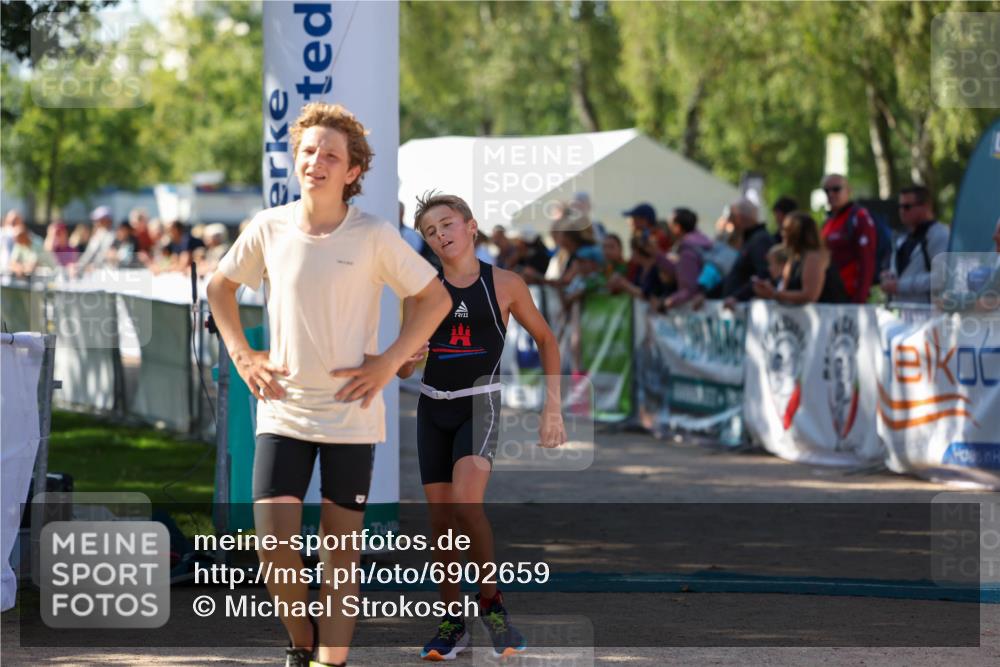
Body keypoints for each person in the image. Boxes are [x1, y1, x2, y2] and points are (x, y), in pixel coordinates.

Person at [207, 102, 451, 667]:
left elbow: (433, 298)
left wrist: (389, 362)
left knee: (341, 559)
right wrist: (243, 354)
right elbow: (220, 290)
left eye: (331, 155)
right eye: (309, 150)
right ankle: (301, 643)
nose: (316, 161)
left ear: (353, 172)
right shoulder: (268, 227)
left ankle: (328, 662)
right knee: (274, 551)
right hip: (284, 411)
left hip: (351, 414)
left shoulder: (373, 234)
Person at [396, 191, 565, 662]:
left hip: (478, 404)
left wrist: (553, 408)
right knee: (440, 522)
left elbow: (547, 340)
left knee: (468, 507)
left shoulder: (505, 284)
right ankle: (453, 622)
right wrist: (406, 361)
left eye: (447, 224)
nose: (440, 235)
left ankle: (492, 605)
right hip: (432, 408)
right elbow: (406, 365)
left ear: (471, 227)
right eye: (431, 232)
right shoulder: (423, 288)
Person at [753, 211, 849, 305]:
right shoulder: (793, 260)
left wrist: (774, 294)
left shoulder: (814, 257)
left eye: (787, 229)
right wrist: (768, 291)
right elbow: (784, 290)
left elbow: (810, 295)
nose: (782, 233)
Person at [880, 185, 949, 304]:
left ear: (926, 206)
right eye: (900, 206)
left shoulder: (939, 235)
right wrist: (889, 276)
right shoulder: (903, 237)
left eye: (907, 207)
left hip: (928, 314)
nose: (902, 211)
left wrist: (900, 286)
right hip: (904, 313)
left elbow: (943, 277)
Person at [820, 174, 877, 303]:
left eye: (836, 189)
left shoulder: (859, 217)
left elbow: (867, 260)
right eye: (826, 191)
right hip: (829, 293)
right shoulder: (828, 222)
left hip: (849, 295)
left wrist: (860, 298)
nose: (831, 194)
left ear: (848, 190)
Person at [720, 198, 775, 304]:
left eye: (731, 217)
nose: (730, 222)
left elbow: (764, 275)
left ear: (740, 218)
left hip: (748, 310)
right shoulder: (751, 240)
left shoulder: (759, 240)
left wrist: (738, 297)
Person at [660, 207, 712, 310]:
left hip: (697, 310)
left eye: (669, 226)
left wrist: (666, 304)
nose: (667, 230)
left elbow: (689, 289)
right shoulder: (704, 242)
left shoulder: (687, 251)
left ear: (677, 228)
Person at [76, 206, 116, 271]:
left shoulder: (113, 236)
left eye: (100, 219)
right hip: (92, 272)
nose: (96, 222)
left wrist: (93, 266)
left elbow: (104, 255)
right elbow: (88, 254)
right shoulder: (97, 235)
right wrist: (79, 266)